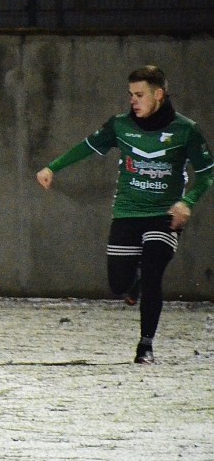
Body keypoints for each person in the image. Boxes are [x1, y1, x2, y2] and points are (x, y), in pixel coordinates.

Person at [37, 65, 213, 365]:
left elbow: (207, 174)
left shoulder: (186, 130)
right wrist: (53, 167)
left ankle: (145, 345)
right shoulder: (120, 125)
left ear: (159, 94)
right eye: (131, 94)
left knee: (154, 268)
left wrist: (188, 201)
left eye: (140, 95)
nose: (133, 100)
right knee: (118, 283)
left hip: (164, 214)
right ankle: (133, 285)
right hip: (128, 212)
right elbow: (87, 147)